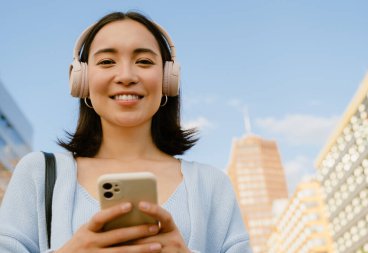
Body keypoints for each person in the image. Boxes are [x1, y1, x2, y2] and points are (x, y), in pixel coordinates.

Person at [0, 11, 252, 253]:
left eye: (143, 61)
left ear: (168, 79)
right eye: (107, 62)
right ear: (81, 80)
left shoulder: (212, 185)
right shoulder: (38, 174)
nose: (126, 76)